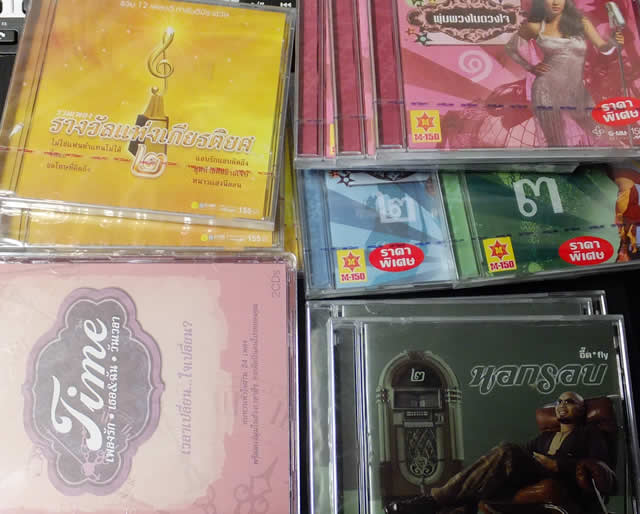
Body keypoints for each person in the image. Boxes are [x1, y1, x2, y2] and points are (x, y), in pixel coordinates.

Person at [385, 392, 611, 514]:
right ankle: (440, 505)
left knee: (507, 450)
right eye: (559, 401)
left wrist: (558, 465)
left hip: (558, 475)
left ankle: (432, 502)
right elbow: (520, 456)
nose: (561, 405)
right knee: (494, 471)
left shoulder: (589, 434)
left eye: (569, 402)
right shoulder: (545, 437)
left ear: (582, 409)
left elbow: (602, 464)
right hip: (533, 474)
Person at [505, 0, 625, 147]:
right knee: (556, 143)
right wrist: (530, 67)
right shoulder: (536, 26)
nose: (556, 2)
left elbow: (604, 48)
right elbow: (511, 48)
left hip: (577, 90)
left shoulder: (581, 23)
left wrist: (613, 42)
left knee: (604, 136)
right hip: (547, 90)